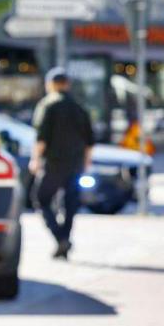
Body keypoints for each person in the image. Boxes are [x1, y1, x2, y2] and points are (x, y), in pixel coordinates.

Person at [30, 67, 94, 259]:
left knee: (41, 199)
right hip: (75, 165)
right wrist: (86, 164)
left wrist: (35, 160)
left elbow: (41, 138)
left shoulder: (48, 105)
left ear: (51, 84)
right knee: (70, 204)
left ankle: (60, 238)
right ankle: (64, 238)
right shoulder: (79, 107)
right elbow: (89, 142)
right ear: (67, 84)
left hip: (53, 164)